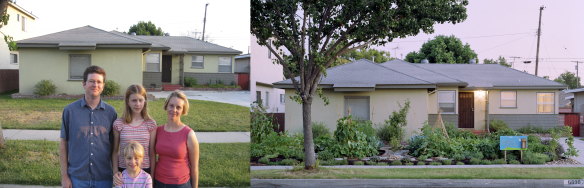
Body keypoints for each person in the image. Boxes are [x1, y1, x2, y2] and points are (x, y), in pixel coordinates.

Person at [60, 65, 117, 188]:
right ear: (84, 84)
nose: (95, 85)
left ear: (103, 86)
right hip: (77, 179)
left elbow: (114, 148)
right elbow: (63, 144)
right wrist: (64, 176)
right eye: (91, 81)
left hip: (104, 179)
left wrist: (115, 173)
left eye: (99, 82)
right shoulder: (69, 111)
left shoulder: (111, 113)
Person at [153, 90, 199, 188]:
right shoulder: (158, 131)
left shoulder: (189, 134)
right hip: (158, 182)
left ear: (183, 110)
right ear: (166, 106)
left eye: (178, 107)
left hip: (180, 184)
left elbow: (194, 167)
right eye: (171, 105)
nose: (174, 110)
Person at [113, 85, 157, 176]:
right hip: (124, 170)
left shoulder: (150, 124)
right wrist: (115, 172)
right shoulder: (119, 124)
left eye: (140, 100)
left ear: (145, 101)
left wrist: (152, 176)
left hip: (144, 170)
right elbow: (115, 151)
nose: (137, 104)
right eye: (134, 100)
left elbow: (152, 153)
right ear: (128, 102)